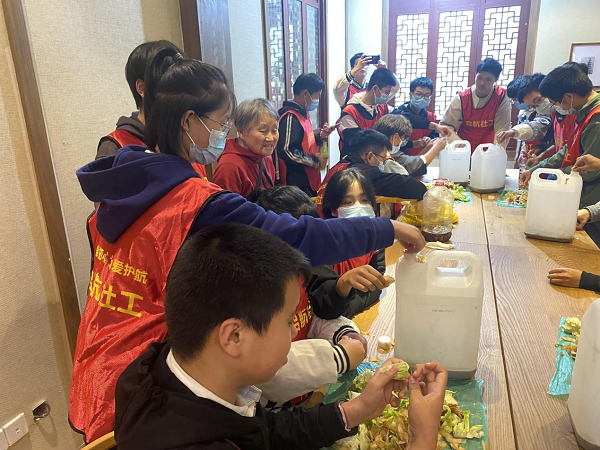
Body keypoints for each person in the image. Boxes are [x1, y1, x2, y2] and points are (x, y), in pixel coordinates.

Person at [69, 47, 426, 443]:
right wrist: (387, 228)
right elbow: (301, 236)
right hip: (156, 380)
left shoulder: (129, 176)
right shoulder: (191, 200)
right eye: (222, 122)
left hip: (104, 356)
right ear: (188, 120)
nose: (225, 133)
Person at [113, 223, 449, 450]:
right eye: (289, 321)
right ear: (234, 336)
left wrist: (358, 408)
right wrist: (421, 438)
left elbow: (265, 433)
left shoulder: (168, 370)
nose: (294, 331)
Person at [520, 63, 600, 244]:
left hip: (590, 205)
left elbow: (588, 170)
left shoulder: (597, 120)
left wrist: (549, 175)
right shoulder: (584, 113)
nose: (556, 107)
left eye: (555, 103)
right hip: (580, 200)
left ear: (568, 97)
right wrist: (536, 170)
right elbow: (567, 151)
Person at [276, 73, 336, 196]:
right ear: (305, 93)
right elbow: (286, 150)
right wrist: (315, 160)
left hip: (309, 179)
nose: (317, 100)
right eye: (316, 96)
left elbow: (304, 142)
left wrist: (321, 136)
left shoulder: (303, 114)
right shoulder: (290, 117)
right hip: (297, 183)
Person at [440, 57, 511, 150]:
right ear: (475, 75)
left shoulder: (501, 97)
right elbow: (445, 126)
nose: (482, 83)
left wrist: (496, 151)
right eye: (479, 78)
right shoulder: (461, 98)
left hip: (488, 149)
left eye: (488, 80)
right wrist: (460, 145)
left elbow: (502, 129)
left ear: (496, 79)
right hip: (463, 149)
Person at [212, 99, 277, 197]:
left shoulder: (266, 157)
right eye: (263, 131)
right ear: (241, 132)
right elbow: (226, 206)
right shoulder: (229, 166)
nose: (271, 138)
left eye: (274, 130)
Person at [336, 67, 398, 157]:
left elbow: (401, 115)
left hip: (377, 159)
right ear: (375, 89)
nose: (388, 96)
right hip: (355, 162)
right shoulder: (350, 113)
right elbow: (357, 144)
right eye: (387, 92)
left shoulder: (382, 107)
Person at [496, 74, 553, 164]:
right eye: (514, 100)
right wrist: (520, 153)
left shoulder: (555, 112)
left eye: (538, 100)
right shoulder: (526, 112)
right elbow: (524, 138)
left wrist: (513, 132)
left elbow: (538, 126)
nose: (517, 102)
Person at [374, 114, 447, 177]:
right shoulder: (389, 158)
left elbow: (411, 162)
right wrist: (436, 147)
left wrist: (428, 147)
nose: (403, 142)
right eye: (403, 138)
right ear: (395, 137)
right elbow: (413, 165)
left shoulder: (375, 150)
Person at [391, 77, 446, 156]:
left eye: (426, 95)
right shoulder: (397, 115)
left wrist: (429, 139)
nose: (422, 98)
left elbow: (434, 135)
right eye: (418, 94)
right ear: (411, 95)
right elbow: (393, 142)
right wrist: (413, 144)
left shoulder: (431, 117)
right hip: (400, 158)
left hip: (424, 158)